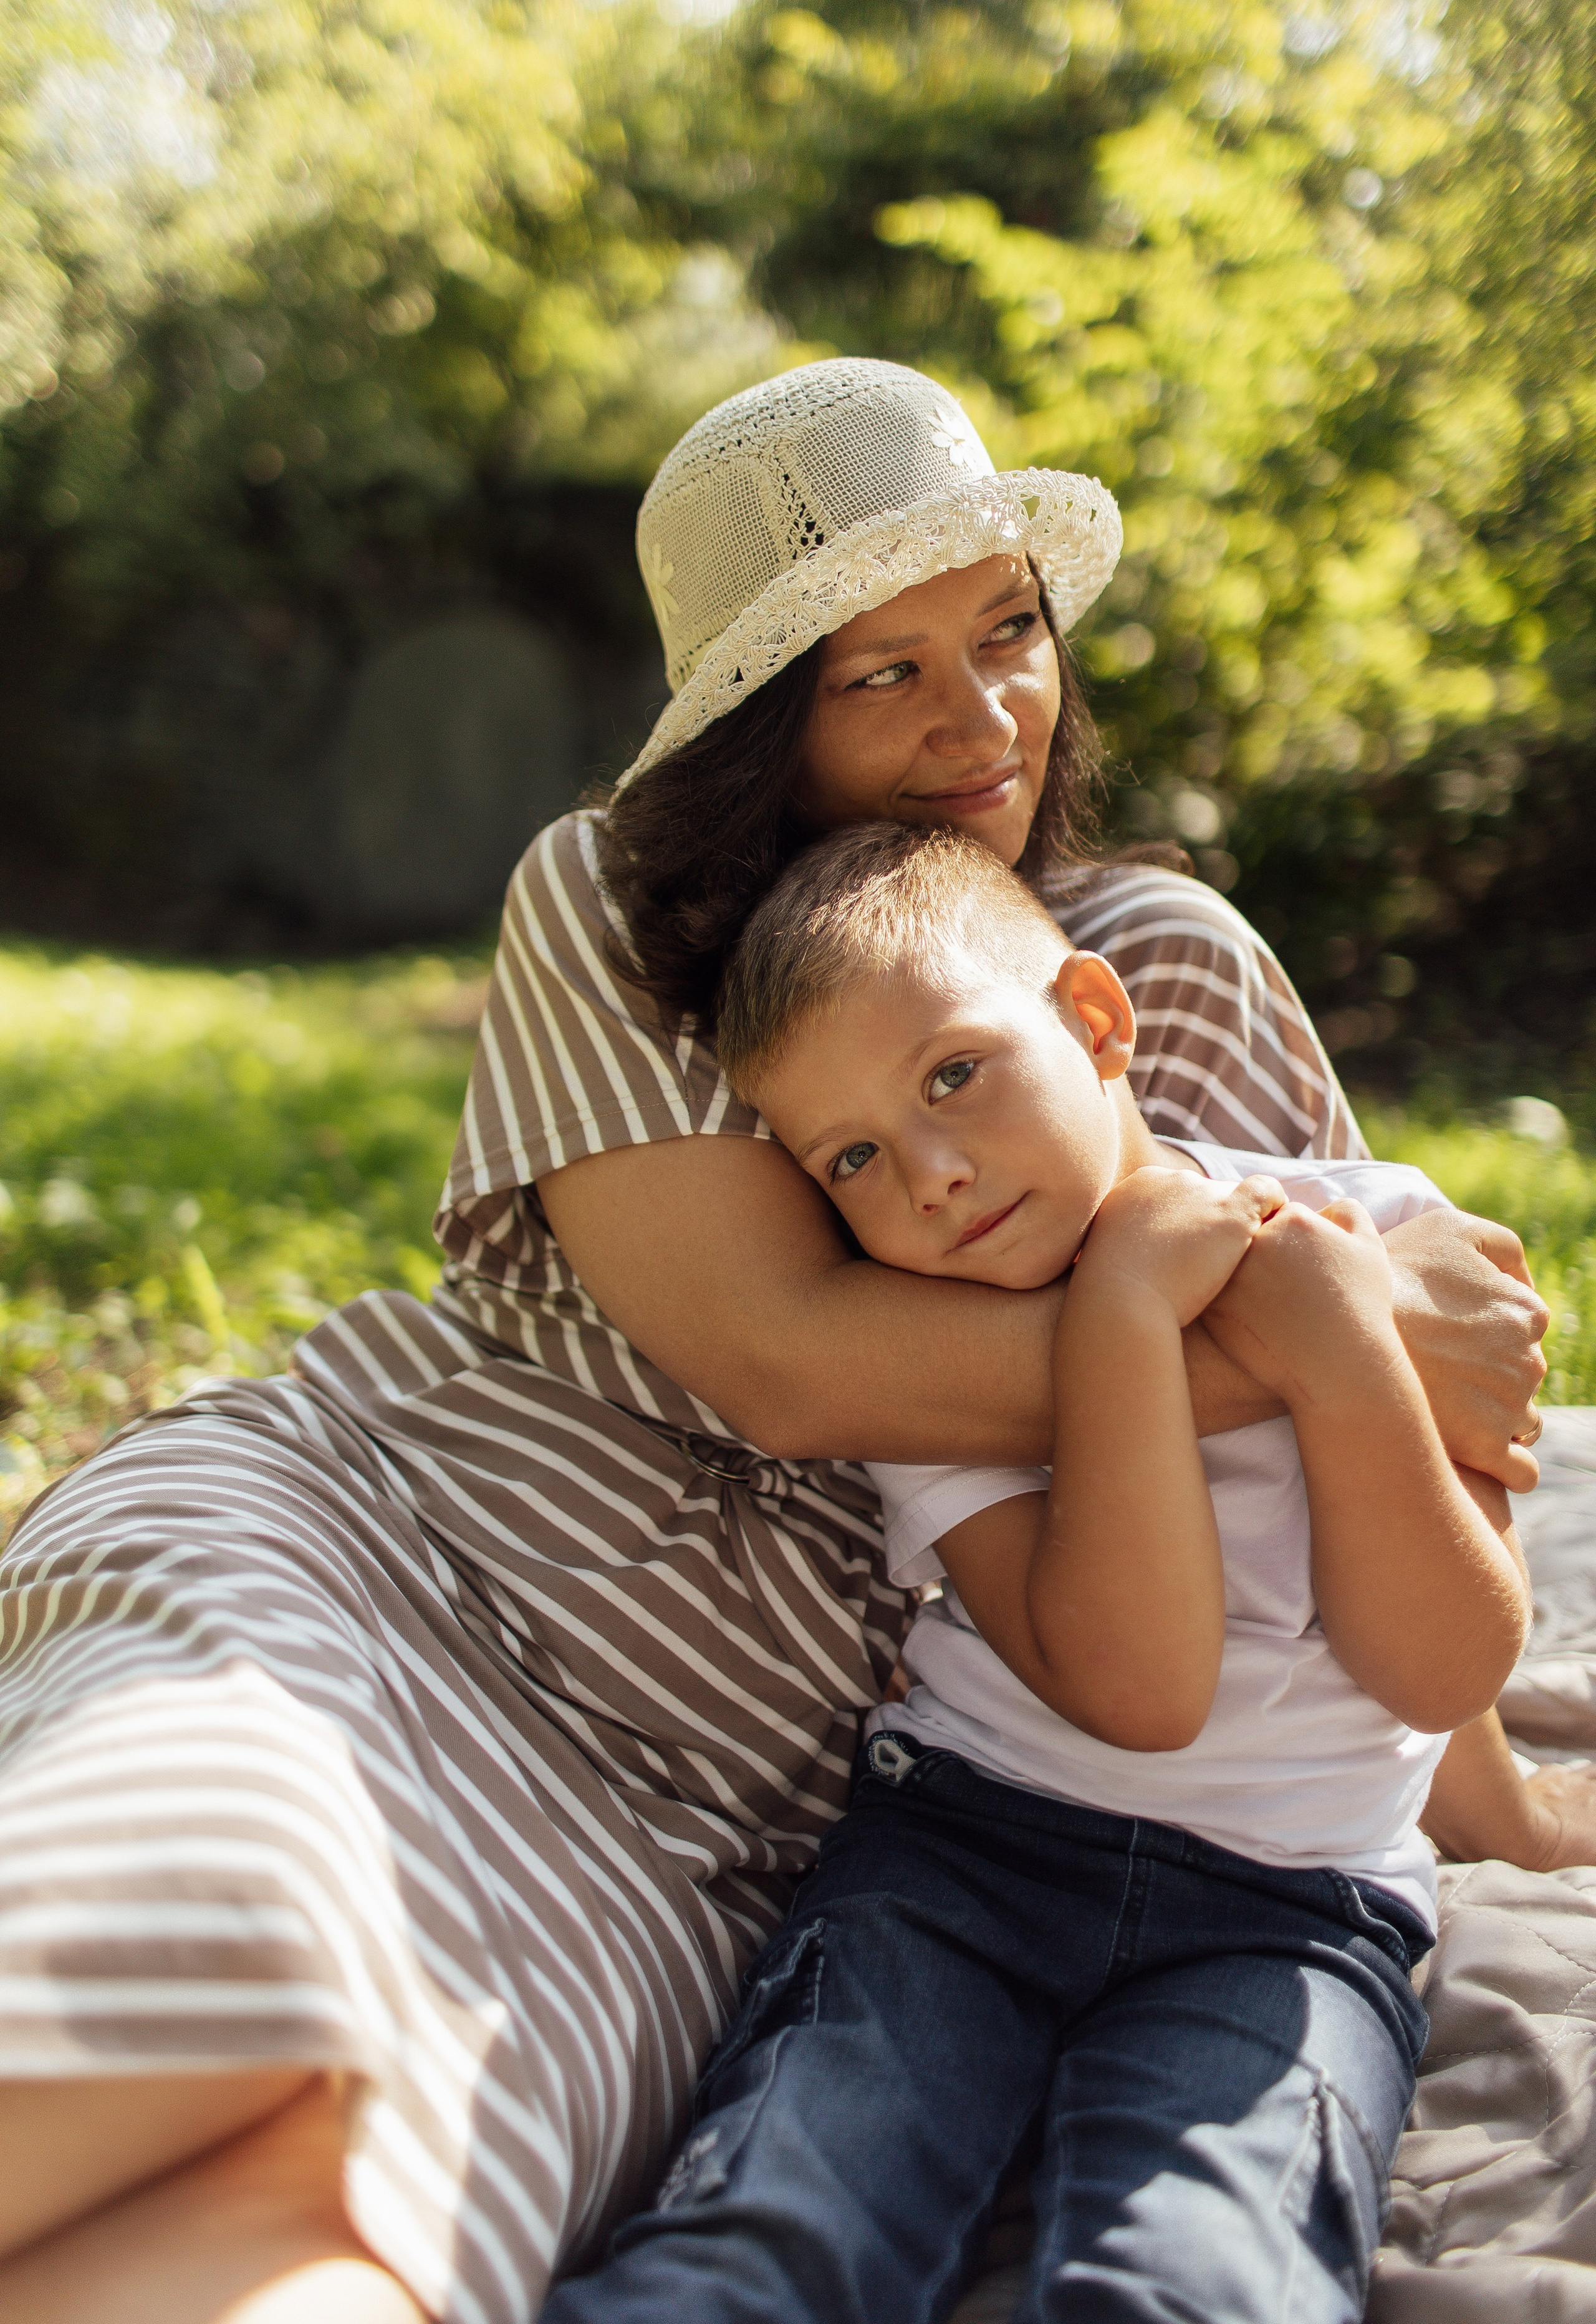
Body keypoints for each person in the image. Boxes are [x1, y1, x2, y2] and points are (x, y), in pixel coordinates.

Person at [0, 359, 1576, 2324]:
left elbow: (1396, 1469)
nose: (980, 713)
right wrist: (1317, 1319)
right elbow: (795, 1360)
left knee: (317, 2215)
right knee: (148, 1951)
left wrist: (1489, 1790)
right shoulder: (614, 904)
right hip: (393, 1557)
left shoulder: (1160, 959)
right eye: (877, 671)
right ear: (757, 722)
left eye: (1006, 632)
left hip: (737, 1798)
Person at [538, 819, 1531, 2324]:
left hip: (1296, 1915)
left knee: (1207, 2274)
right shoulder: (929, 1347)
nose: (929, 1176)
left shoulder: (1376, 1232)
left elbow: (1442, 1670)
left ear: (1094, 1019)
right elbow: (1137, 1687)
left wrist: (1341, 1355)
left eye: (952, 1074)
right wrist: (1123, 1313)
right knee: (777, 2215)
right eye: (853, 1158)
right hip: (964, 1857)